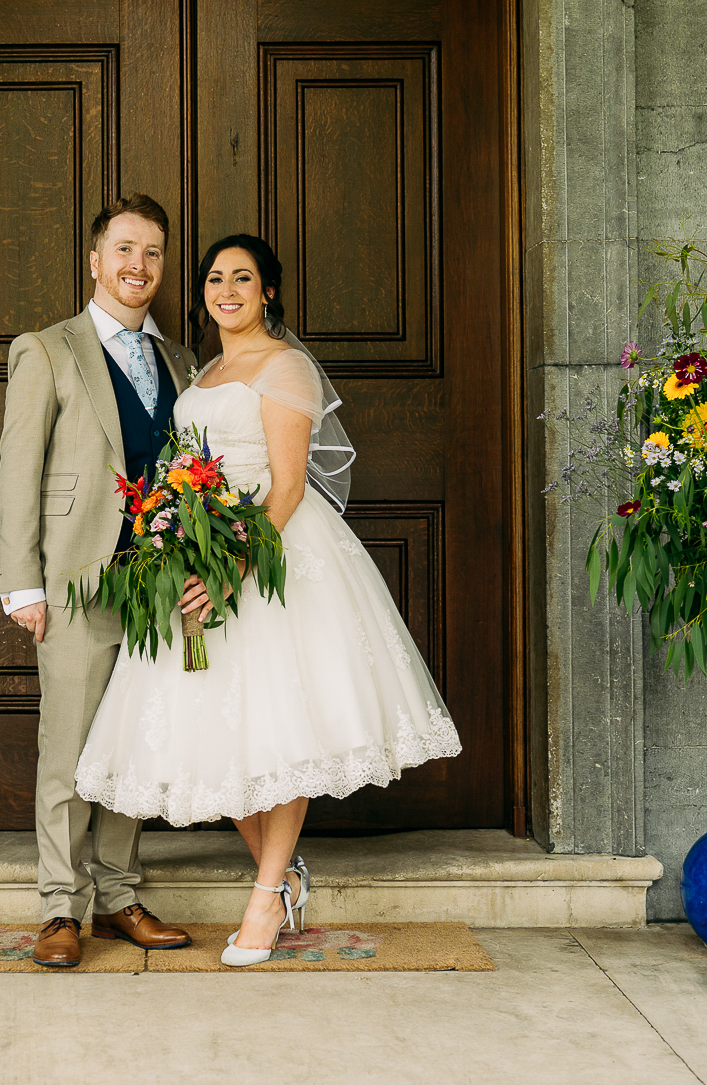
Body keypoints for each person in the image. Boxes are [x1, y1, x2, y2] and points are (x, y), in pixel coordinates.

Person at [74, 234, 462, 966]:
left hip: (272, 557)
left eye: (243, 278)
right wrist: (178, 546)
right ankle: (282, 881)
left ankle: (264, 896)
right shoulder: (205, 367)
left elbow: (285, 489)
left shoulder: (287, 367)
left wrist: (232, 572)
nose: (227, 290)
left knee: (282, 735)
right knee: (221, 737)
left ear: (268, 291)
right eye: (216, 278)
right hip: (203, 549)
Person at [0, 194, 199, 968]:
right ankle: (59, 908)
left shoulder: (181, 361)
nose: (138, 266)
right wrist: (22, 583)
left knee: (132, 748)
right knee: (71, 749)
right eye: (124, 251)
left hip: (155, 586)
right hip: (76, 582)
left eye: (151, 253)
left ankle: (118, 895)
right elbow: (19, 468)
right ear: (94, 259)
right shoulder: (47, 350)